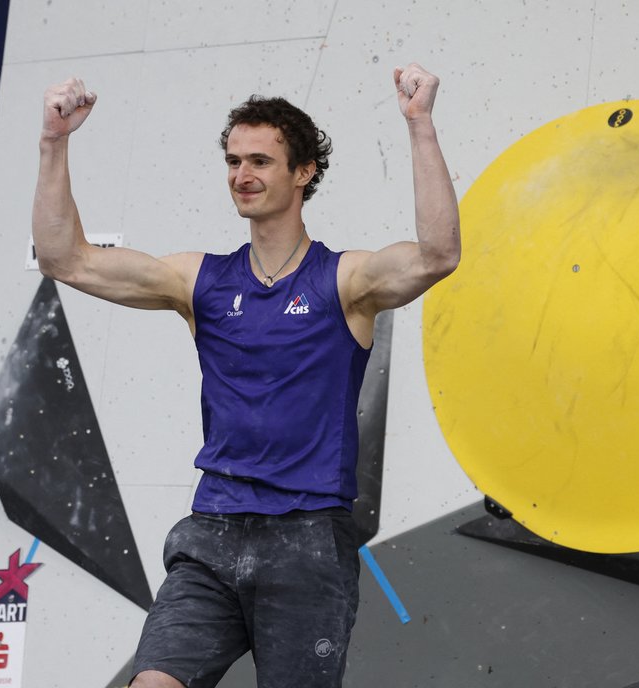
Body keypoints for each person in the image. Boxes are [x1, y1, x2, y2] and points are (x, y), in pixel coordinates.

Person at [32, 63, 460, 688]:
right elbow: (63, 258)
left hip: (309, 540)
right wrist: (54, 142)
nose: (243, 175)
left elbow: (438, 254)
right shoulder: (198, 280)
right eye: (234, 161)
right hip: (213, 531)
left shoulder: (345, 281)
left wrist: (420, 125)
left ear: (304, 171)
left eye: (260, 161)